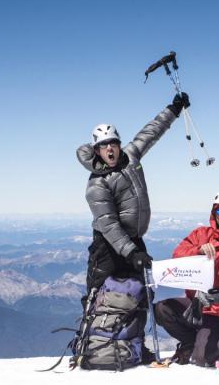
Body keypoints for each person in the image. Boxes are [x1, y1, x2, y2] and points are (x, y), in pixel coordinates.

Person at [76, 92, 190, 301]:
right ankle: (90, 333)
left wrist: (173, 110)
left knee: (140, 297)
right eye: (104, 145)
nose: (109, 148)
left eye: (113, 143)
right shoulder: (96, 184)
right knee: (98, 298)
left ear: (119, 145)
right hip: (108, 248)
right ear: (97, 151)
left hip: (134, 242)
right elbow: (108, 224)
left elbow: (150, 132)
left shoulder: (130, 156)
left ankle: (134, 333)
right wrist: (131, 253)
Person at [154, 189, 219, 367]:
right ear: (214, 212)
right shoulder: (200, 235)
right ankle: (190, 342)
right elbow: (177, 256)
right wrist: (198, 251)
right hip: (195, 307)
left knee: (204, 359)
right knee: (162, 310)